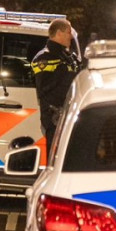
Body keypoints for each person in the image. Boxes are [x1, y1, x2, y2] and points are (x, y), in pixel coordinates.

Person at [31, 18, 81, 148]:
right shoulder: (44, 57)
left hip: (68, 114)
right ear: (59, 33)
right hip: (54, 117)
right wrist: (64, 72)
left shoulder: (67, 56)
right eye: (68, 32)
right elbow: (44, 88)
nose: (71, 36)